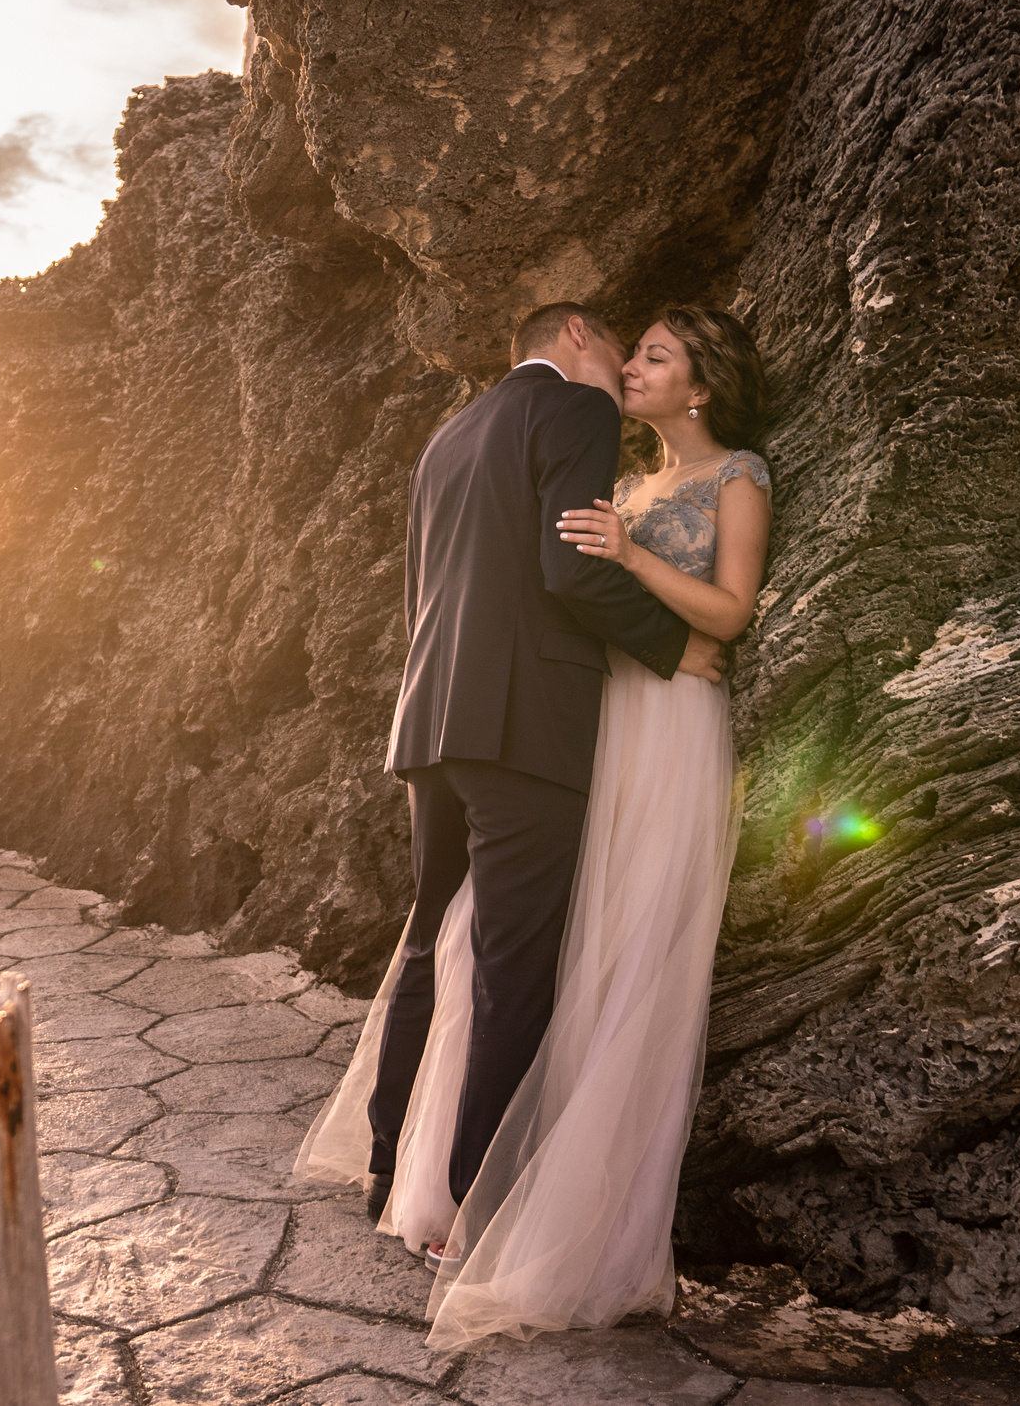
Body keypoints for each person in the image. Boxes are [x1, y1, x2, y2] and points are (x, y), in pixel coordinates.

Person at [297, 304, 773, 1351]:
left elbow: (452, 581)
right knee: (515, 964)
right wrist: (667, 645)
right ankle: (474, 1208)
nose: (621, 367)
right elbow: (565, 572)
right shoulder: (571, 415)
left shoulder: (451, 433)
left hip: (439, 719)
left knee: (438, 939)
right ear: (574, 343)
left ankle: (393, 1166)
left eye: (651, 355)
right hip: (529, 727)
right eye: (619, 348)